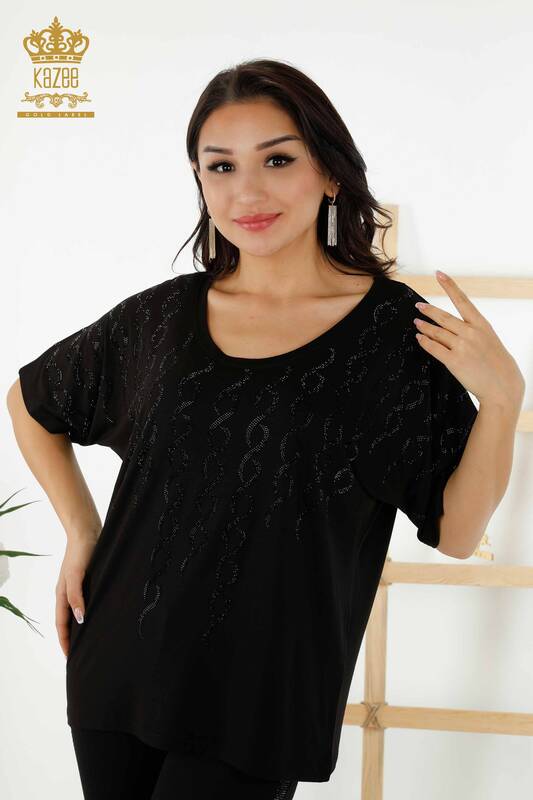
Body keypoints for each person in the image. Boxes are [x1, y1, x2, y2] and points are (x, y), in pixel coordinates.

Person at [7, 58, 524, 799]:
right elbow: (30, 402)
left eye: (277, 160)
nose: (246, 192)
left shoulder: (394, 338)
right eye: (221, 166)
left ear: (330, 173)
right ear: (199, 180)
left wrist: (502, 400)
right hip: (119, 667)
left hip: (262, 699)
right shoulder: (160, 318)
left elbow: (457, 529)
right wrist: (82, 532)